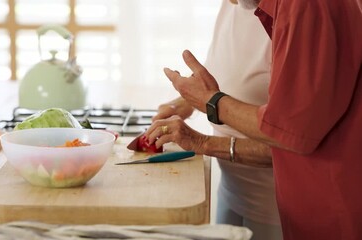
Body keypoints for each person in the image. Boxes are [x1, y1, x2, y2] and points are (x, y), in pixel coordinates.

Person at [146, 0, 362, 239]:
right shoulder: (242, 3)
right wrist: (187, 100)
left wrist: (205, 129)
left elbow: (291, 133)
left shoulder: (304, 6)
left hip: (286, 208)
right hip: (237, 191)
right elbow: (232, 72)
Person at [150, 1, 282, 240]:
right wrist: (185, 101)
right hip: (231, 191)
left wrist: (201, 143)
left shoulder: (292, 20)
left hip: (276, 211)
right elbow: (226, 75)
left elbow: (289, 141)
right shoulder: (233, 5)